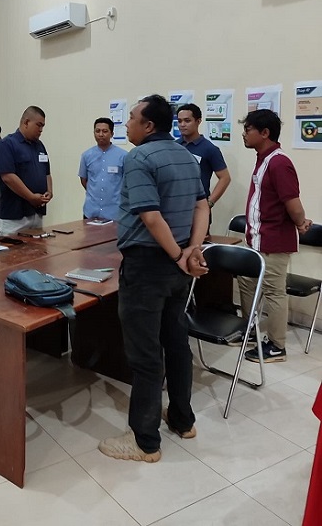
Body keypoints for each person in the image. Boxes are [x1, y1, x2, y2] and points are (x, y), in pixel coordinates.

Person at [99, 95, 209, 463]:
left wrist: (180, 256)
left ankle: (144, 441)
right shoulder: (185, 155)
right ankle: (182, 420)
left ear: (148, 126)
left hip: (149, 266)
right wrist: (192, 250)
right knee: (176, 343)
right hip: (177, 267)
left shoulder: (139, 157)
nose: (125, 124)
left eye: (131, 118)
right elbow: (202, 205)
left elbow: (150, 216)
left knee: (145, 354)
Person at [238, 109, 311, 364]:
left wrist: (300, 222)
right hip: (257, 238)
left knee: (273, 291)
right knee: (246, 282)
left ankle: (277, 346)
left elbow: (293, 203)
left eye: (248, 129)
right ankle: (249, 331)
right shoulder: (263, 159)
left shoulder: (279, 162)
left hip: (273, 241)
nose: (244, 134)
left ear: (265, 133)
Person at [0, 106, 53, 235]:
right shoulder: (7, 144)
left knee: (38, 247)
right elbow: (8, 177)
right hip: (15, 217)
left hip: (37, 213)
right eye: (39, 125)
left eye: (43, 126)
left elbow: (47, 173)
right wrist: (31, 197)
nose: (41, 130)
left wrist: (49, 192)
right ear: (26, 122)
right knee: (12, 248)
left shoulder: (40, 145)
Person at [177, 103, 231, 214]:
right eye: (179, 121)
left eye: (187, 121)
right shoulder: (174, 146)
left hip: (198, 208)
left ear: (198, 121)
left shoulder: (210, 149)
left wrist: (209, 203)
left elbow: (225, 178)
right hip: (176, 206)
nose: (182, 125)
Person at [78, 117, 127, 221]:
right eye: (97, 131)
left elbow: (126, 183)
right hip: (91, 211)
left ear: (112, 134)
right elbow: (84, 180)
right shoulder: (86, 155)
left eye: (105, 131)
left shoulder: (123, 156)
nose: (101, 134)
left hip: (114, 212)